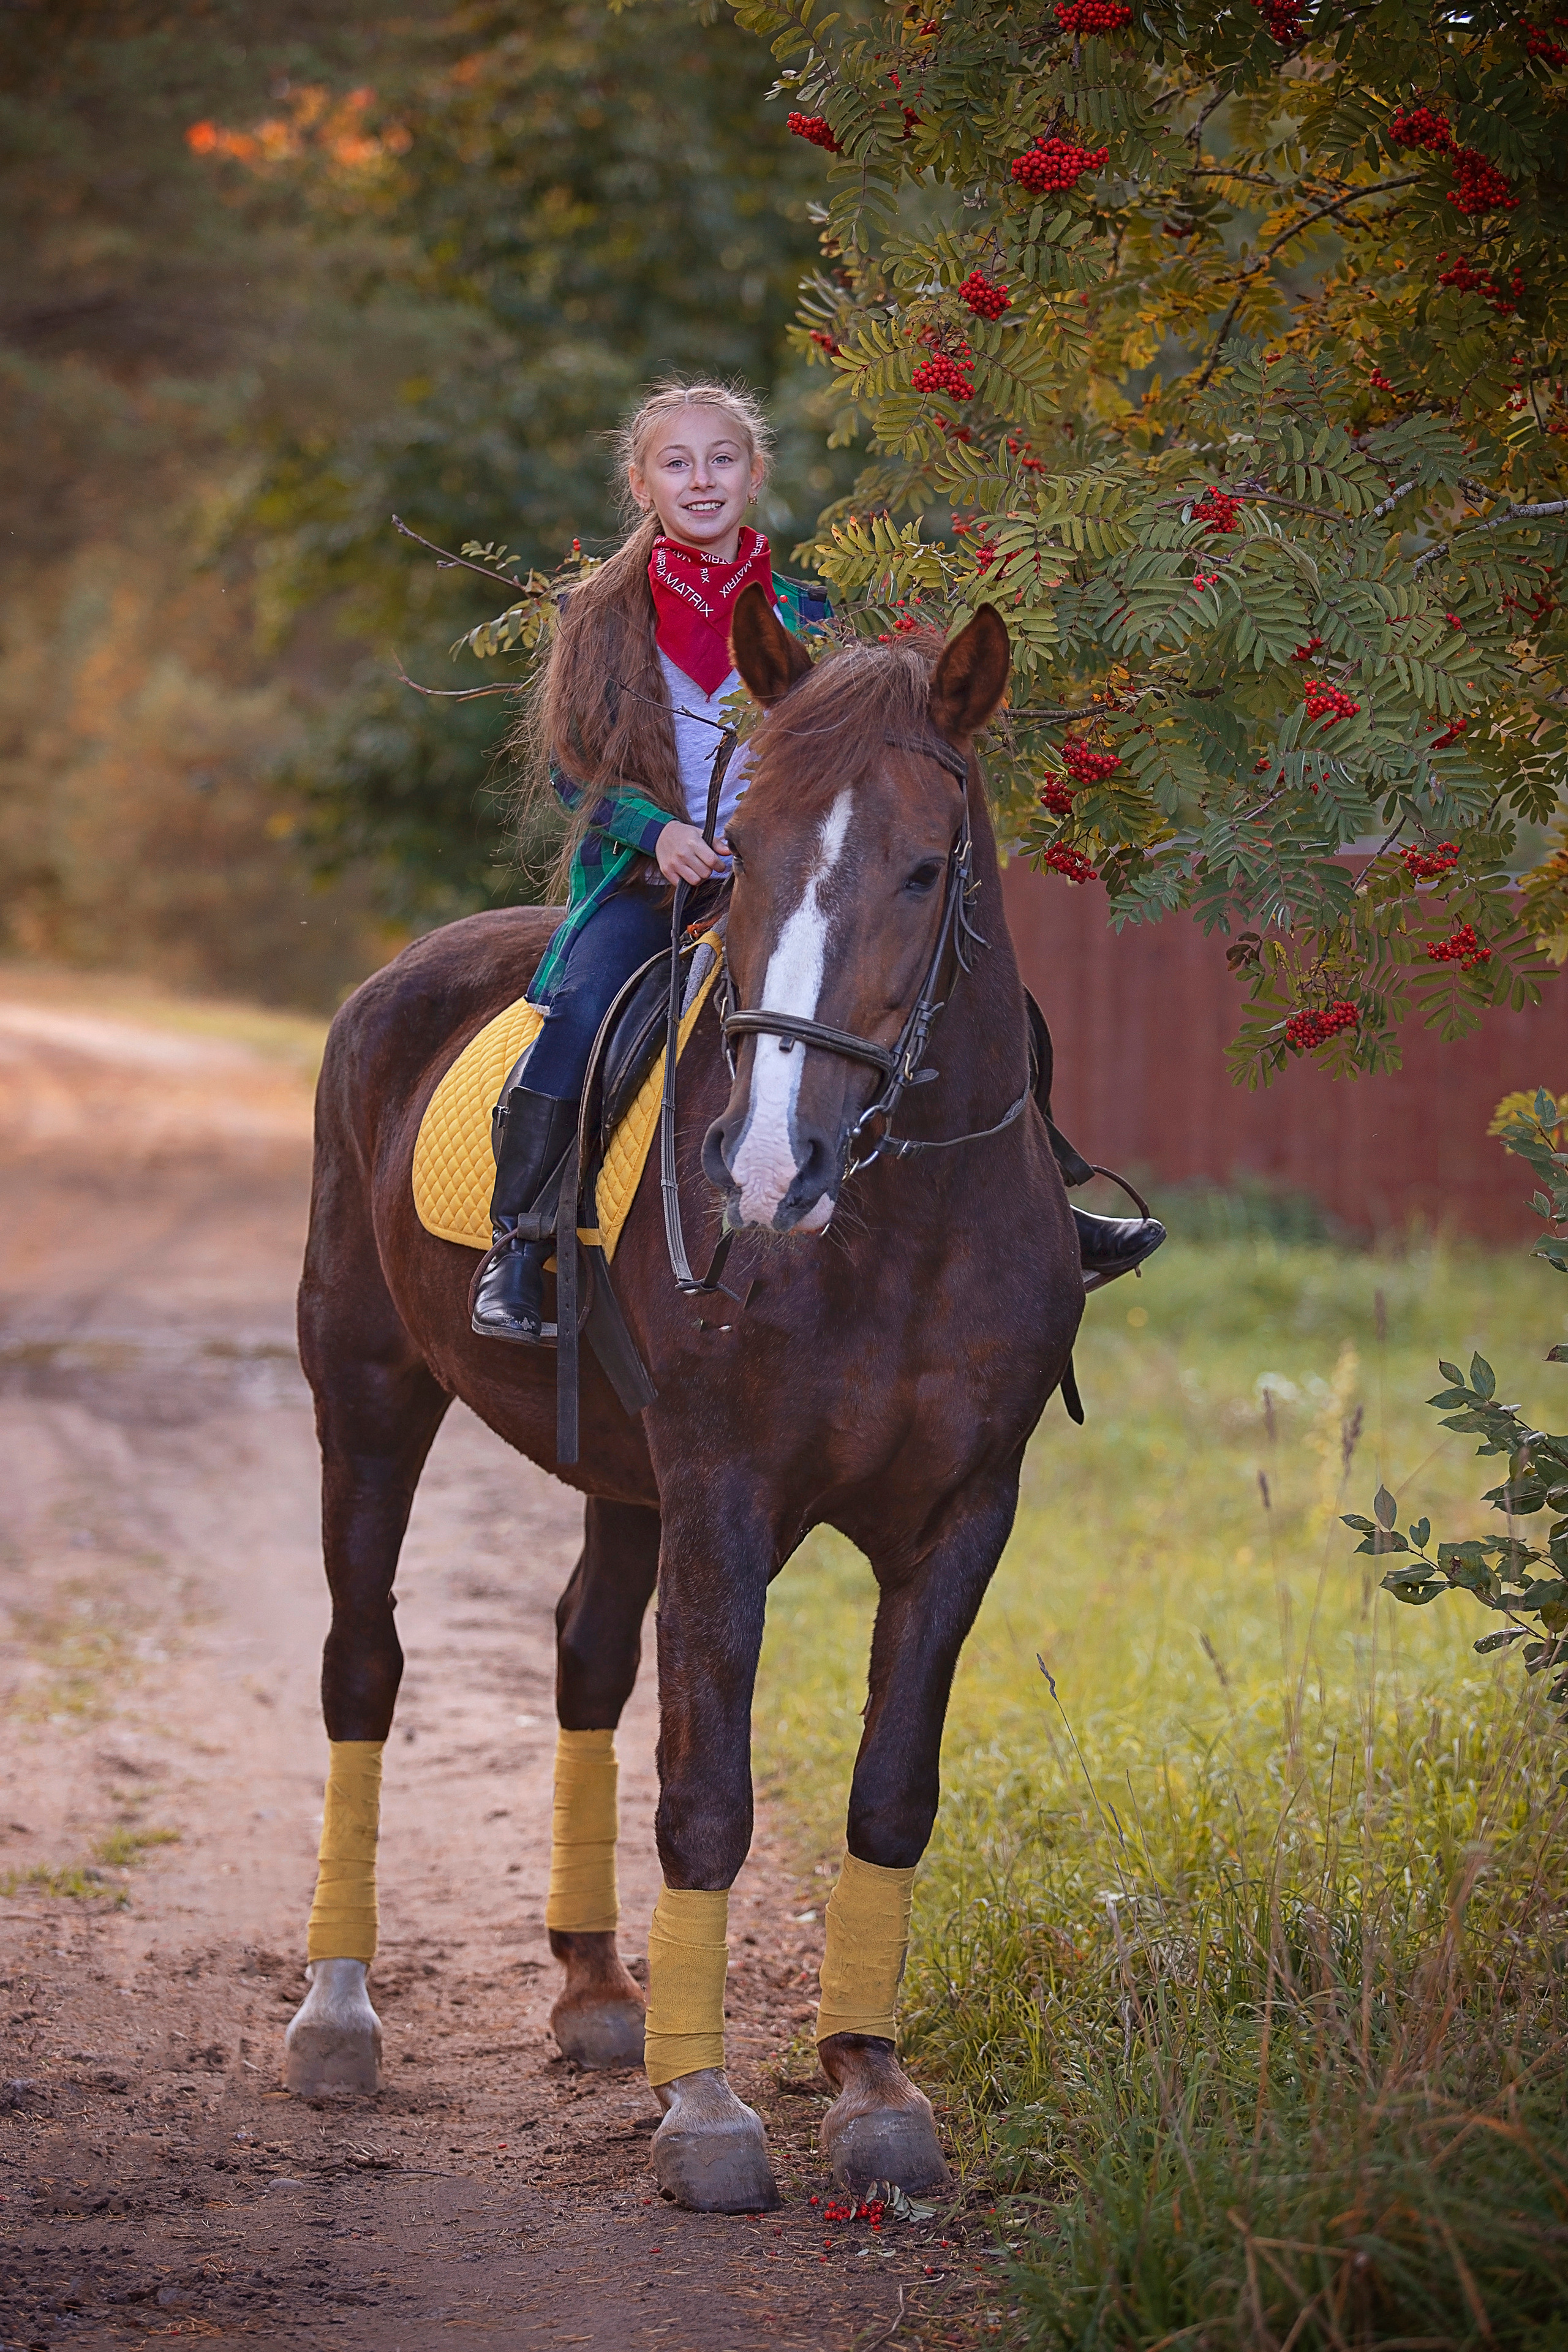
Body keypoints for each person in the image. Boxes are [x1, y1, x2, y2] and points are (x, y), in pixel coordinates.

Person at [470, 380, 1161, 1346]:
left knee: (979, 996)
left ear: (755, 476)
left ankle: (1053, 1202)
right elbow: (569, 768)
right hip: (651, 883)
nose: (700, 479)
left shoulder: (814, 612)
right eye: (677, 462)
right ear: (643, 484)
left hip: (787, 881)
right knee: (582, 1010)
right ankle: (520, 1244)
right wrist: (655, 832)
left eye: (722, 460)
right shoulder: (599, 615)